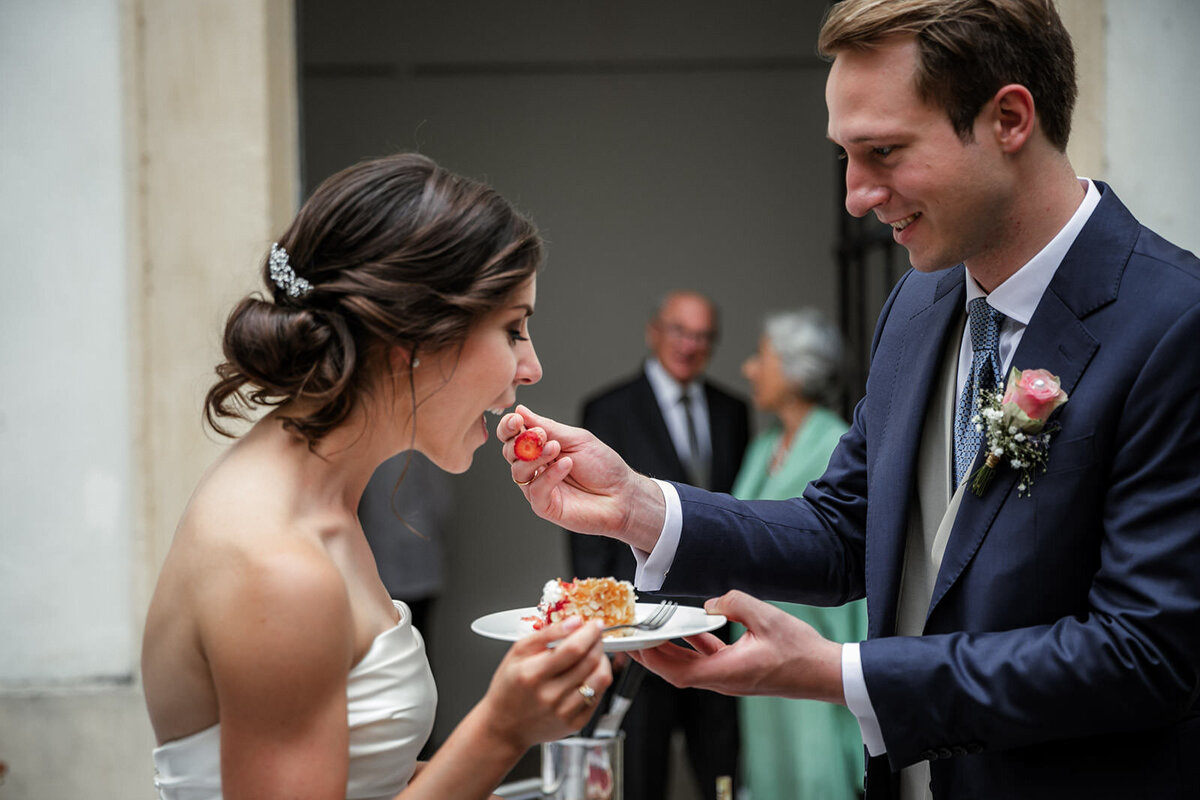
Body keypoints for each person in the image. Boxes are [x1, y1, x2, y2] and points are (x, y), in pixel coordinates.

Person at [497, 2, 1200, 798]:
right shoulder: (920, 304)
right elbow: (846, 527)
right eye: (845, 156)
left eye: (884, 152)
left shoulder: (1173, 324)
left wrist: (841, 674)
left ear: (1009, 118)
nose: (856, 195)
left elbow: (1147, 655)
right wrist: (638, 507)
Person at [141, 153, 612, 800]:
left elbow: (362, 779)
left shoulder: (319, 497)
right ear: (413, 341)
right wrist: (501, 731)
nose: (530, 367)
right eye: (512, 329)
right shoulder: (278, 568)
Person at [568, 290, 748, 800]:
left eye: (702, 336)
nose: (689, 346)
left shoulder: (732, 410)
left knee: (719, 762)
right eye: (679, 331)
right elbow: (588, 530)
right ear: (654, 331)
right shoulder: (608, 410)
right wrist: (606, 625)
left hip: (714, 620)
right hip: (638, 627)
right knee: (641, 765)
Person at [731, 309, 865, 799]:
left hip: (812, 653)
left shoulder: (836, 442)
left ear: (794, 369)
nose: (749, 369)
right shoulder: (764, 445)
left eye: (761, 357)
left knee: (817, 775)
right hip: (756, 654)